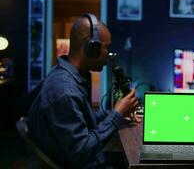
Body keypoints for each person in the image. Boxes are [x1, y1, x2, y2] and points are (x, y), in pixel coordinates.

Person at [28, 15, 139, 168]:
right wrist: (116, 116)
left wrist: (116, 113)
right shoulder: (64, 90)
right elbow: (81, 152)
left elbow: (83, 120)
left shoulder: (70, 78)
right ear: (91, 48)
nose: (108, 53)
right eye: (106, 47)